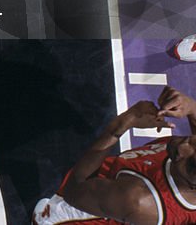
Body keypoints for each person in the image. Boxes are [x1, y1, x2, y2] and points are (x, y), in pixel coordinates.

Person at [33, 85, 196, 224]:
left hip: (89, 203)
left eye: (190, 164)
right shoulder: (185, 165)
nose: (183, 147)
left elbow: (74, 189)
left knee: (55, 213)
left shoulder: (137, 200)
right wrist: (191, 107)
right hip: (116, 193)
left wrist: (123, 122)